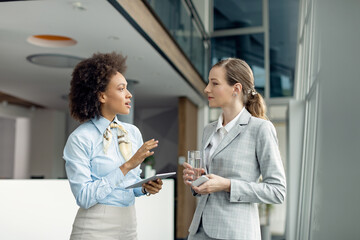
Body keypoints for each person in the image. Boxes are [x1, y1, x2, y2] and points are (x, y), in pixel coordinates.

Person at [183, 58, 286, 240]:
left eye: (214, 83)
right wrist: (196, 181)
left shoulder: (260, 129)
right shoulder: (209, 130)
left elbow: (277, 191)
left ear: (236, 89)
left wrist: (227, 185)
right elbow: (207, 184)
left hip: (234, 232)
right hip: (199, 231)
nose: (207, 89)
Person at [63, 52, 163, 240]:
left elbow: (129, 185)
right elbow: (84, 198)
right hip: (94, 227)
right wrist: (126, 166)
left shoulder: (132, 133)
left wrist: (144, 188)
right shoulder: (80, 138)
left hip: (128, 224)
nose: (129, 94)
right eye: (121, 89)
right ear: (102, 96)